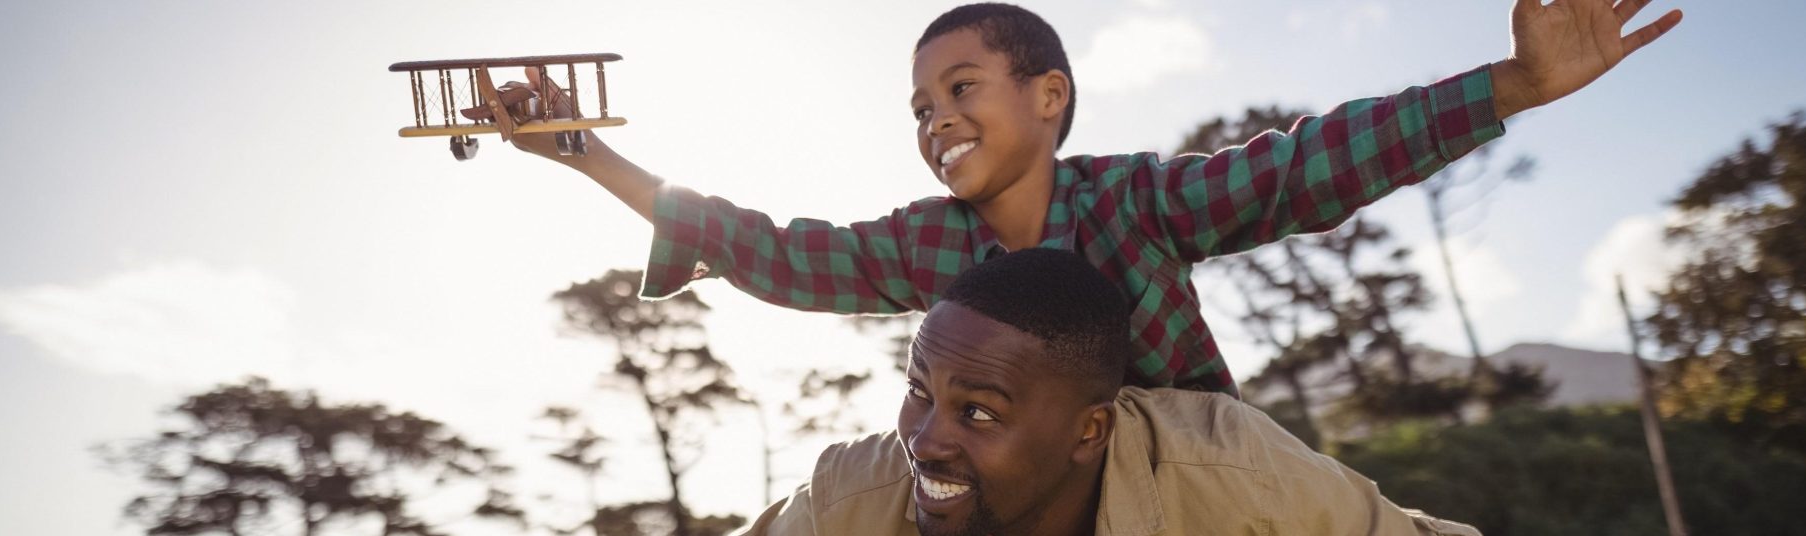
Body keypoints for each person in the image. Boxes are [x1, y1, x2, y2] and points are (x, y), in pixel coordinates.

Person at [501, 2, 1684, 396]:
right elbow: (770, 249)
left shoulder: (1140, 205)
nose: (936, 120)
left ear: (1049, 96)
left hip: (1176, 457)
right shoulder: (925, 248)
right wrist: (588, 156)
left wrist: (1516, 84)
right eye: (918, 107)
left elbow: (1308, 163)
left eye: (959, 89)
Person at [739, 248, 1480, 535]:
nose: (925, 439)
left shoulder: (1233, 475)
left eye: (977, 411)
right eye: (918, 391)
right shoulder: (848, 503)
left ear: (1089, 432)